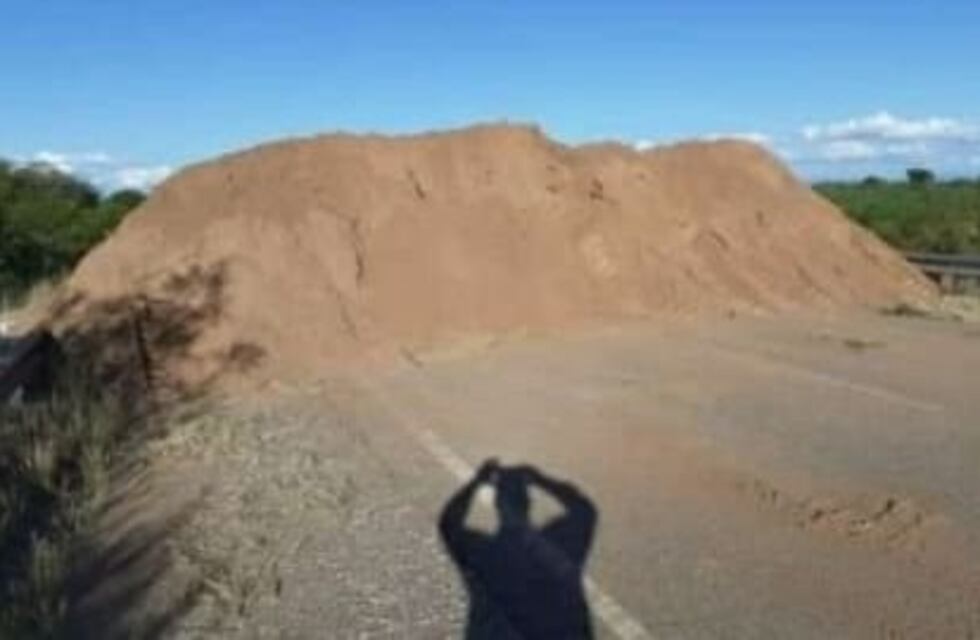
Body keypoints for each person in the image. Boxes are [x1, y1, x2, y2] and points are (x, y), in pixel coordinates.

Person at [439, 459, 597, 639]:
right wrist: (540, 479)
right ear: (528, 503)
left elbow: (449, 523)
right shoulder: (561, 545)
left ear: (497, 504)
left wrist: (476, 482)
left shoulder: (484, 554)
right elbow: (584, 509)